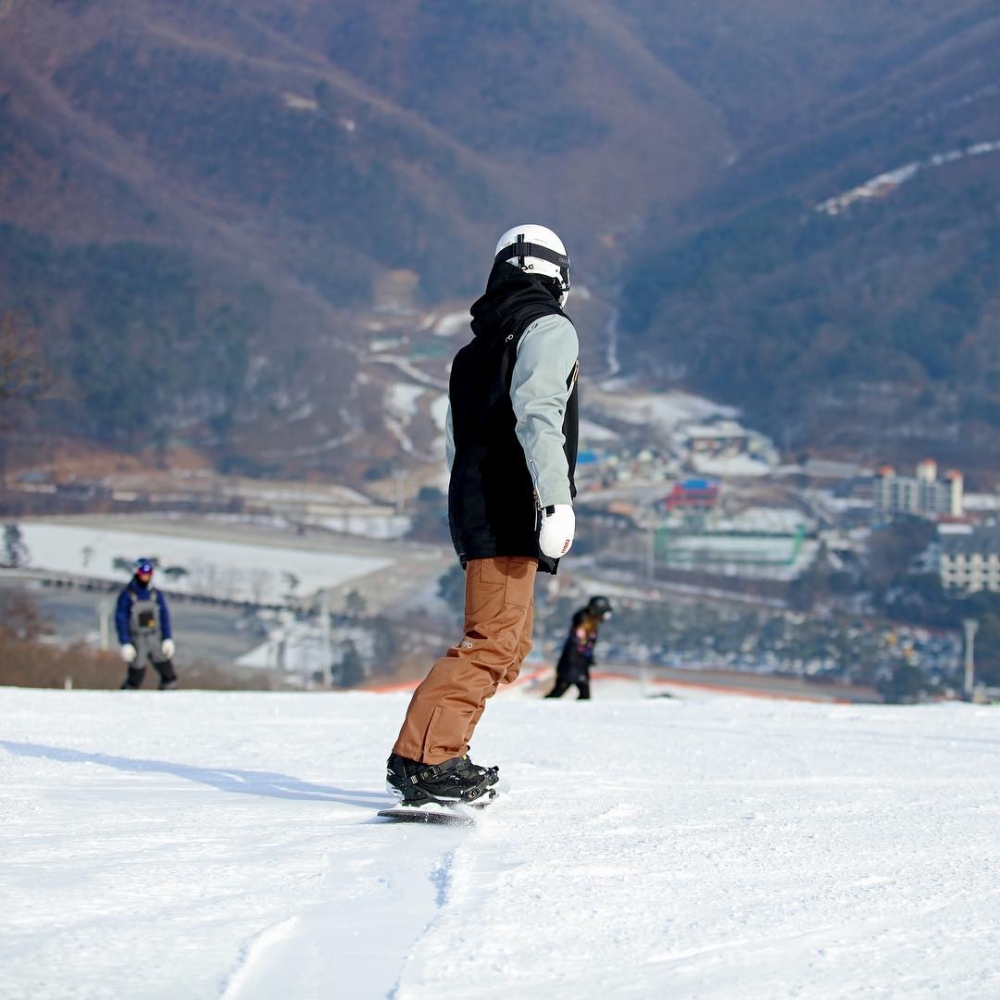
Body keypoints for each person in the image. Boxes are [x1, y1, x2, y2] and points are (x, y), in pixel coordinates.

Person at [386, 224, 579, 807]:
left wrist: (462, 519)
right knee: (492, 644)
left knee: (509, 646)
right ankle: (426, 759)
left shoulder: (474, 351)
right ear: (555, 274)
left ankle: (445, 750)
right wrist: (554, 499)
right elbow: (539, 415)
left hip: (477, 508)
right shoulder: (548, 329)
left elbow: (454, 443)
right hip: (512, 505)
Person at [115, 557, 178, 690]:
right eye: (143, 571)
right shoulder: (128, 595)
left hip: (155, 637)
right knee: (136, 676)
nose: (146, 575)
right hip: (137, 640)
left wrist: (167, 638)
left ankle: (167, 701)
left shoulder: (155, 594)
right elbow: (121, 619)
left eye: (149, 572)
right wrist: (125, 642)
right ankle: (124, 701)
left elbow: (164, 617)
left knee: (168, 674)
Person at [545, 595, 613, 700]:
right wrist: (581, 658)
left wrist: (588, 657)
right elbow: (578, 643)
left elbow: (587, 644)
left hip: (580, 666)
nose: (605, 617)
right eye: (604, 613)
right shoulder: (584, 621)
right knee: (557, 693)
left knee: (584, 696)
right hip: (571, 665)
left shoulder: (591, 623)